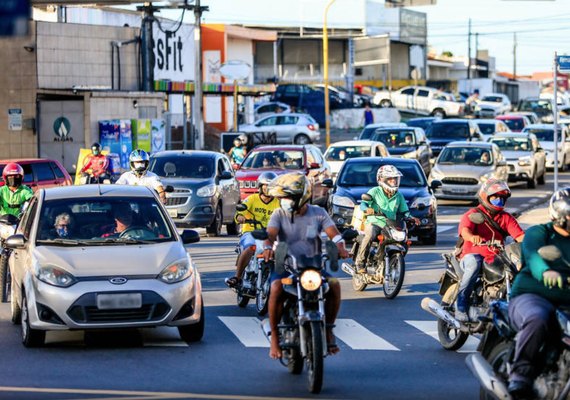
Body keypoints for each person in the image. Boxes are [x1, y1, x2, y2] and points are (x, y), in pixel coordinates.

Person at [262, 173, 349, 359]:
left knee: (334, 284)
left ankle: (328, 329)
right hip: (286, 266)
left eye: (287, 198)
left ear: (301, 197)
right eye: (282, 198)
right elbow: (270, 235)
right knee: (276, 287)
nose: (283, 201)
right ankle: (275, 339)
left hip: (312, 267)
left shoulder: (319, 213)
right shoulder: (279, 214)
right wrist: (268, 247)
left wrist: (340, 246)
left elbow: (334, 233)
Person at [506, 189, 570, 398]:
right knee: (538, 318)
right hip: (532, 295)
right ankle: (520, 375)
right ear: (561, 215)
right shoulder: (539, 233)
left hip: (565, 301)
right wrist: (546, 271)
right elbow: (534, 257)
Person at [455, 178, 525, 322]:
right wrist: (473, 237)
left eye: (502, 198)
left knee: (518, 271)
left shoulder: (506, 218)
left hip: (495, 258)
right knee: (475, 263)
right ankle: (460, 304)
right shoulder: (473, 213)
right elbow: (465, 230)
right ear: (485, 196)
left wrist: (533, 243)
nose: (499, 200)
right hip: (471, 255)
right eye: (495, 197)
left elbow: (520, 236)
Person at [354, 165, 420, 273]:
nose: (394, 181)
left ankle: (392, 261)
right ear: (381, 179)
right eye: (390, 178)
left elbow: (405, 212)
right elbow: (363, 204)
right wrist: (367, 209)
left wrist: (412, 217)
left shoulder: (399, 196)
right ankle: (360, 262)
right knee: (370, 234)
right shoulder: (375, 191)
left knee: (403, 240)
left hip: (391, 224)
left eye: (395, 178)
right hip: (375, 222)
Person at [225, 171, 280, 289]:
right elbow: (239, 214)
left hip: (270, 234)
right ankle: (237, 277)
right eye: (265, 186)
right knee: (251, 247)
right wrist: (241, 217)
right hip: (251, 232)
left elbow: (286, 215)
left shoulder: (278, 202)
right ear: (260, 186)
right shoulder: (252, 199)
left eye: (271, 186)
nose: (268, 189)